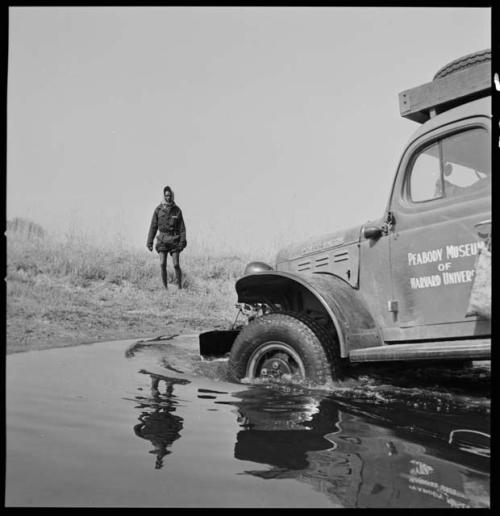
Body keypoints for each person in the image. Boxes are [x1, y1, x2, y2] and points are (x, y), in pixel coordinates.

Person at [147, 186, 186, 289]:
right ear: (164, 196)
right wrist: (149, 242)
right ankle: (165, 288)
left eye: (170, 195)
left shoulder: (177, 210)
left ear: (172, 196)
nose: (168, 197)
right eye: (166, 196)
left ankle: (179, 287)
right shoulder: (158, 210)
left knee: (176, 265)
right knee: (162, 263)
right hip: (162, 240)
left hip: (174, 240)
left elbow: (182, 229)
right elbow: (153, 227)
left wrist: (182, 242)